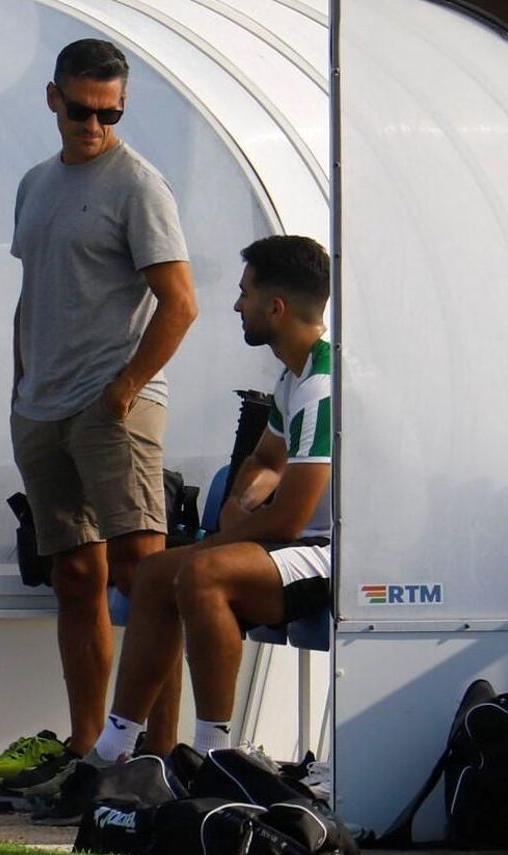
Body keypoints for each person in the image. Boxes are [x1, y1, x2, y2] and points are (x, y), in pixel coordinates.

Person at [0, 38, 197, 796]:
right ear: (53, 98)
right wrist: (22, 378)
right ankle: (91, 750)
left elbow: (180, 303)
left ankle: (159, 755)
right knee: (73, 577)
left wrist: (125, 387)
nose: (94, 124)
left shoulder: (138, 185)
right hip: (43, 407)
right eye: (82, 109)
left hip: (112, 406)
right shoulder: (35, 184)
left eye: (109, 112)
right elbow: (36, 290)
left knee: (145, 579)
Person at [88, 234, 333, 767]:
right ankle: (111, 754)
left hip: (346, 556)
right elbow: (266, 463)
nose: (236, 305)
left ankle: (216, 756)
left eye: (245, 293)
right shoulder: (294, 375)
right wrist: (241, 502)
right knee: (154, 575)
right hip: (296, 546)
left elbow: (291, 520)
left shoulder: (323, 385)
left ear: (277, 307)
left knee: (204, 574)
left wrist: (230, 530)